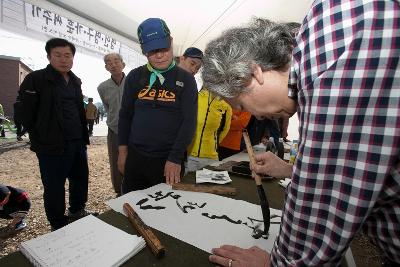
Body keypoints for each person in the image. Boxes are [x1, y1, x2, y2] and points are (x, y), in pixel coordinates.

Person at [202, 1, 400, 265]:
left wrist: (279, 263)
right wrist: (290, 170)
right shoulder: (317, 51)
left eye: (240, 104)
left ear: (253, 73)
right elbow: (353, 167)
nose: (256, 116)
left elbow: (324, 201)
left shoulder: (330, 65)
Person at [16, 38, 94, 230]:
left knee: (80, 179)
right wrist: (40, 135)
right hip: (51, 146)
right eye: (57, 55)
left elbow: (77, 110)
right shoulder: (36, 79)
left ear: (73, 58)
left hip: (77, 142)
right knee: (54, 187)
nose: (63, 59)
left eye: (68, 55)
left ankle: (77, 210)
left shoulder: (75, 81)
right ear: (49, 57)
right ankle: (58, 223)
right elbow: (23, 112)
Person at [118, 18, 198, 193]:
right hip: (135, 157)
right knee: (130, 206)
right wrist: (123, 152)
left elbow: (189, 122)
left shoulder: (186, 80)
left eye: (163, 48)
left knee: (166, 211)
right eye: (152, 51)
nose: (159, 55)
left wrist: (175, 158)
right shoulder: (134, 76)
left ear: (170, 42)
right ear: (144, 51)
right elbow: (125, 115)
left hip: (167, 160)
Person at [98, 53, 126, 196]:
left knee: (134, 159)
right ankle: (119, 191)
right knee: (116, 162)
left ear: (123, 64)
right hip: (114, 130)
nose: (113, 64)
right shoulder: (102, 87)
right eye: (109, 62)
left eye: (116, 61)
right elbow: (108, 108)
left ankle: (134, 188)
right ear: (106, 67)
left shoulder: (133, 82)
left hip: (133, 130)